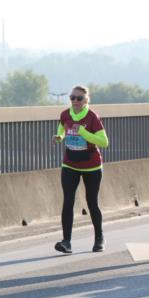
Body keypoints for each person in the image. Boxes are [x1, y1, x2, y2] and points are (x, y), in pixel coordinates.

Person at [52, 86, 109, 253]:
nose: (75, 101)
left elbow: (104, 142)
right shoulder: (65, 114)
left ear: (86, 100)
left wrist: (83, 132)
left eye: (79, 98)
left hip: (91, 165)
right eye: (72, 98)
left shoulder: (92, 117)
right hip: (70, 163)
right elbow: (62, 128)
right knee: (68, 201)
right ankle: (66, 241)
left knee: (92, 202)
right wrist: (59, 137)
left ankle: (99, 238)